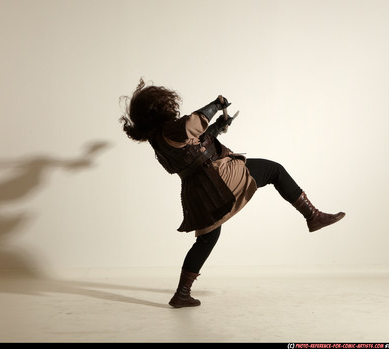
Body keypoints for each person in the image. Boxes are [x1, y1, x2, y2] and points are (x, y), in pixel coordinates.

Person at [119, 79, 345, 308]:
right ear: (159, 107)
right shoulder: (172, 129)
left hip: (197, 191)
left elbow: (193, 143)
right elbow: (192, 124)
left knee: (208, 238)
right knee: (274, 170)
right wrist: (215, 105)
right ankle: (312, 215)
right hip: (217, 179)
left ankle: (182, 294)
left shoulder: (158, 140)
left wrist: (218, 125)